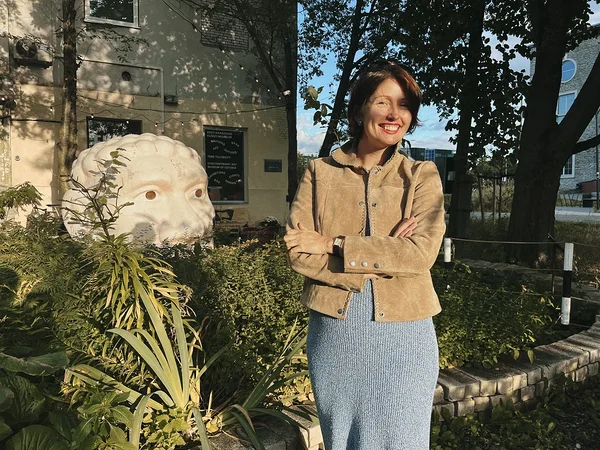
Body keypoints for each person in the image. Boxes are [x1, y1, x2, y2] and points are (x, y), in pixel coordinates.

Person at [284, 59, 446, 450]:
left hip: (406, 335)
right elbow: (299, 252)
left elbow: (420, 254)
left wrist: (335, 244)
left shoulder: (422, 176)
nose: (394, 115)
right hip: (335, 333)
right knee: (343, 437)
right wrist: (387, 254)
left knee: (403, 439)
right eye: (382, 102)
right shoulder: (319, 173)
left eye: (404, 105)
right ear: (359, 111)